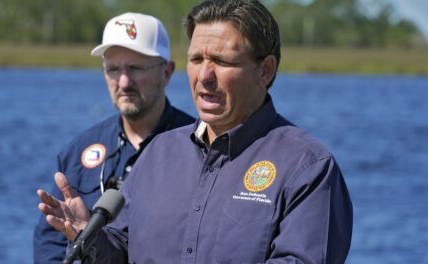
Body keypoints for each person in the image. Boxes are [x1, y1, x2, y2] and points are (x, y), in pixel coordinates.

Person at [37, 0, 353, 263]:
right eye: (196, 59)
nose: (204, 76)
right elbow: (119, 251)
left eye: (220, 61)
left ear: (265, 70)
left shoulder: (307, 168)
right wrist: (88, 236)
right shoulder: (158, 153)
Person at [33, 12, 195, 263]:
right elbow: (50, 246)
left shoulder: (199, 147)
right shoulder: (79, 150)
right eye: (113, 69)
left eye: (135, 68)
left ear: (167, 73)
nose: (123, 81)